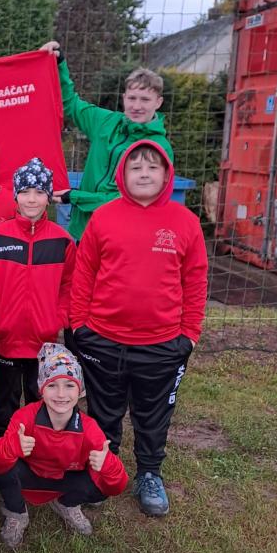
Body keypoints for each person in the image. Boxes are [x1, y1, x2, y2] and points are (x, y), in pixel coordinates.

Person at [70, 141, 208, 517]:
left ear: (166, 175)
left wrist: (189, 333)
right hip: (103, 339)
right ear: (122, 175)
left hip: (162, 343)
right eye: (135, 167)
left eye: (152, 167)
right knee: (104, 411)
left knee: (153, 414)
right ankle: (104, 468)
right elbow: (84, 273)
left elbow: (195, 280)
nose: (144, 174)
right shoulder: (104, 218)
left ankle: (149, 472)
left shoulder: (185, 222)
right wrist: (79, 325)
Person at [0, 344, 128, 547]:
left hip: (65, 478)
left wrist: (109, 466)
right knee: (3, 462)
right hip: (30, 474)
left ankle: (67, 504)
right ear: (41, 389)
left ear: (80, 390)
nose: (61, 394)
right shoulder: (24, 417)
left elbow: (117, 487)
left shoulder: (89, 428)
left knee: (101, 483)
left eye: (69, 385)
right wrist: (11, 447)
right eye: (52, 385)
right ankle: (16, 512)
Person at [0, 156, 77, 441]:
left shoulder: (62, 241)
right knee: (5, 394)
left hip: (44, 339)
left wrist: (58, 319)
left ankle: (39, 437)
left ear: (49, 197)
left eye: (39, 192)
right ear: (15, 196)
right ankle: (2, 436)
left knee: (38, 392)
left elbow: (70, 285)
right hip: (4, 336)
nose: (32, 199)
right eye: (25, 192)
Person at [45, 43, 173, 241]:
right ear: (124, 98)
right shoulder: (106, 122)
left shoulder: (159, 147)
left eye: (145, 100)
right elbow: (71, 104)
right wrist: (59, 63)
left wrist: (76, 197)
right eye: (132, 98)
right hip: (81, 231)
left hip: (119, 236)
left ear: (158, 102)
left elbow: (128, 199)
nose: (136, 106)